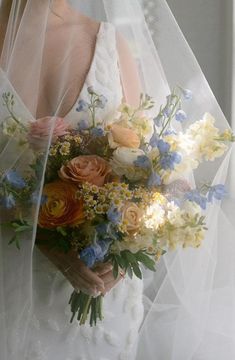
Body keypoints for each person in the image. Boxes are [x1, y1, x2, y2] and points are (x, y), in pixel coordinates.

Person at [1, 1, 235, 360]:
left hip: (101, 294)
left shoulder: (108, 43)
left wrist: (127, 252)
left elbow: (153, 173)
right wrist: (47, 242)